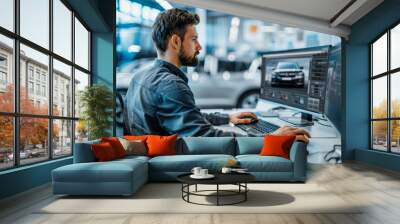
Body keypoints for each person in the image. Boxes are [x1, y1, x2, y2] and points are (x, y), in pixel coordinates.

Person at [125, 8, 310, 142]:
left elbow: (186, 118)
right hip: (171, 167)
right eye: (194, 39)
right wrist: (269, 138)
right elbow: (205, 139)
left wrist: (227, 119)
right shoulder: (169, 85)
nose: (199, 47)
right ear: (175, 41)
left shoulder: (140, 77)